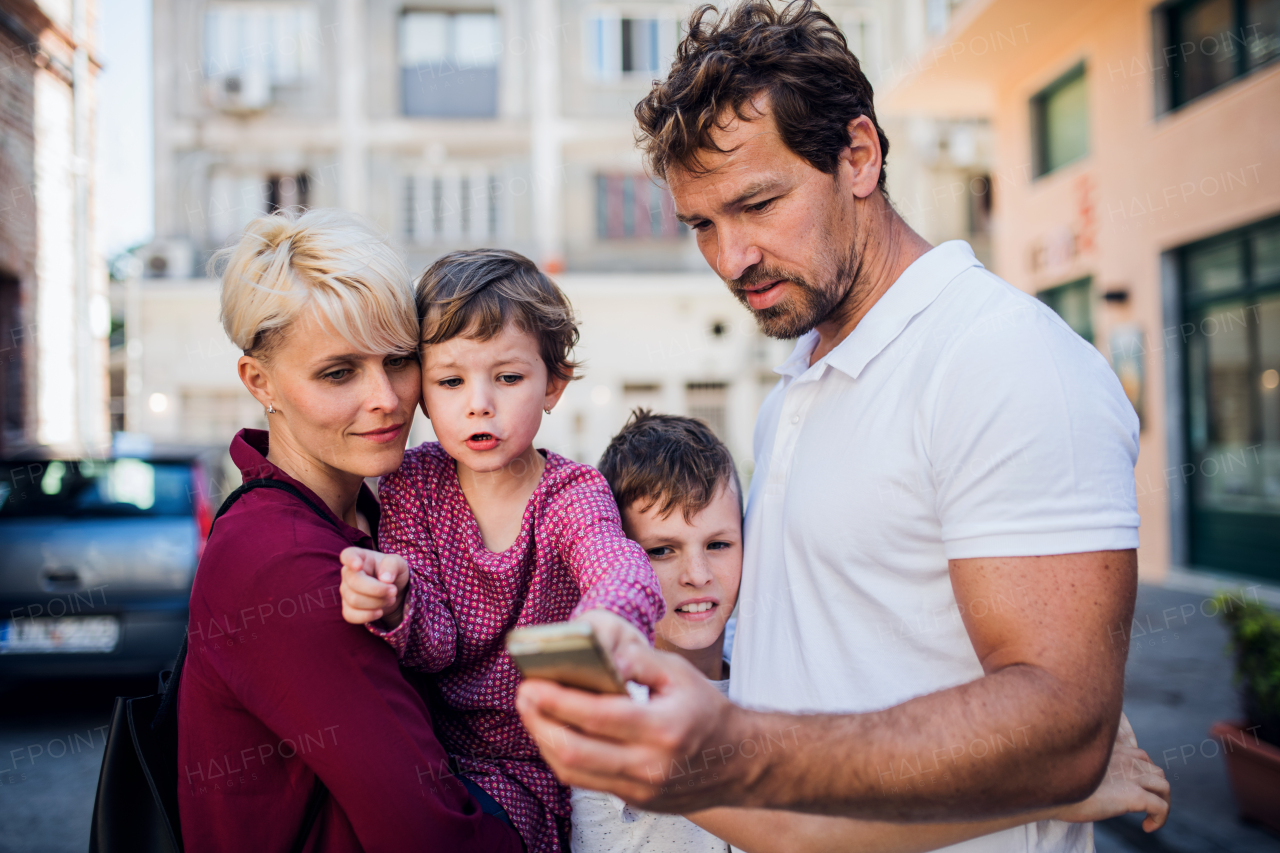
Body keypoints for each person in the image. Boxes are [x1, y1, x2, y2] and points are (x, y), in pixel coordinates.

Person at [516, 2, 1148, 850]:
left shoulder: (1002, 360)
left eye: (759, 203)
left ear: (859, 156)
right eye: (703, 224)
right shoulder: (798, 378)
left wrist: (736, 753)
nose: (731, 258)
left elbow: (1064, 726)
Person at [572, 411, 1168, 853]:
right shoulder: (619, 704)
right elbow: (804, 830)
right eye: (662, 550)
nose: (697, 575)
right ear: (618, 557)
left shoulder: (754, 656)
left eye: (719, 544)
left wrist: (1067, 703)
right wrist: (1057, 793)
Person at [176, 209, 522, 852]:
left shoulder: (379, 511)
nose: (386, 399)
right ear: (260, 381)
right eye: (339, 373)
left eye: (398, 360)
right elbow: (431, 833)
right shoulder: (282, 561)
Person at [336, 249, 666, 853]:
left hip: (544, 759)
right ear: (421, 393)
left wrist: (606, 619)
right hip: (436, 751)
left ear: (553, 386)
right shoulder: (413, 483)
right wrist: (394, 595)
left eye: (509, 378)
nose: (479, 403)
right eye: (451, 381)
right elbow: (434, 645)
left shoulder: (570, 493)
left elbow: (617, 564)